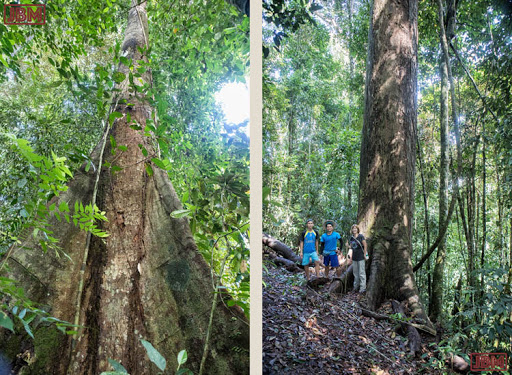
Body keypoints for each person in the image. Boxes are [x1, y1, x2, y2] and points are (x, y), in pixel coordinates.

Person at [346, 224, 368, 293]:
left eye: (355, 228)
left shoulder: (361, 236)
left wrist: (364, 254)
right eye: (353, 228)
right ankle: (356, 287)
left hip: (361, 256)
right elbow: (352, 247)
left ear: (357, 229)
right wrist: (348, 246)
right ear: (352, 230)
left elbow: (365, 245)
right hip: (354, 257)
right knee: (355, 273)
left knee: (361, 272)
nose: (354, 230)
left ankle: (362, 288)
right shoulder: (351, 238)